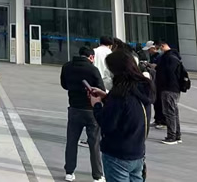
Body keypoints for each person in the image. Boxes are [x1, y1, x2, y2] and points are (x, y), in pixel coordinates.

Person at [89, 50, 154, 182]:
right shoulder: (144, 87)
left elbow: (107, 124)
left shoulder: (120, 93)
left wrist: (96, 105)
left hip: (118, 153)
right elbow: (130, 109)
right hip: (138, 151)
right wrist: (106, 97)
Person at [60, 46, 105, 182]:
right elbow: (101, 88)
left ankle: (69, 172)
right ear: (91, 57)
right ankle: (97, 175)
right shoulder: (93, 69)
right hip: (91, 110)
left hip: (74, 108)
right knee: (94, 143)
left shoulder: (67, 66)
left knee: (72, 141)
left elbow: (64, 85)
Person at [154, 41, 183, 144]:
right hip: (174, 88)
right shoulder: (175, 57)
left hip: (168, 88)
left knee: (169, 112)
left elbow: (168, 73)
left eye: (158, 48)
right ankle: (177, 135)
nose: (158, 50)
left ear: (162, 46)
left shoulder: (168, 58)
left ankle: (172, 136)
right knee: (174, 112)